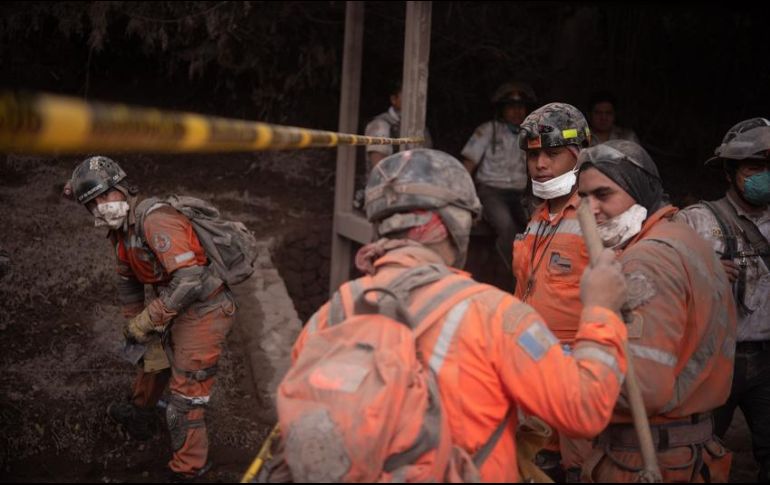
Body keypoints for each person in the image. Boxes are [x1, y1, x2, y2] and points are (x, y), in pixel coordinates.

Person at [285, 148, 631, 482]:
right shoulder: (495, 316)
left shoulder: (330, 316)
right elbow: (583, 410)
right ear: (457, 224)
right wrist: (601, 309)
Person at [66, 156, 236, 480]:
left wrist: (151, 318)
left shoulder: (155, 220)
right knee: (150, 358)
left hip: (205, 309)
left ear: (122, 189)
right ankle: (141, 412)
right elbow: (127, 280)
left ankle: (190, 468)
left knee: (186, 397)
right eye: (93, 203)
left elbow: (190, 278)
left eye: (105, 196)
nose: (102, 206)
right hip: (175, 302)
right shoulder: (121, 233)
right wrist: (136, 327)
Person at [576, 140, 736, 482]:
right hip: (688, 447)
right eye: (584, 198)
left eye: (603, 195)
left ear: (640, 191)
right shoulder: (684, 239)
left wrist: (566, 379)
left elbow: (643, 388)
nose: (591, 210)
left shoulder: (645, 261)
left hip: (647, 459)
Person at [675, 118, 770, 481]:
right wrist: (701, 271)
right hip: (713, 358)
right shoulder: (696, 222)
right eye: (754, 167)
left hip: (768, 360)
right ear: (730, 172)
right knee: (699, 454)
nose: (764, 175)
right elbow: (660, 284)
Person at [513, 102, 594, 479]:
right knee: (536, 460)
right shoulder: (538, 217)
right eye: (534, 155)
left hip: (578, 373)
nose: (541, 164)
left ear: (579, 156)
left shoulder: (598, 219)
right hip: (534, 365)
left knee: (579, 466)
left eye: (552, 153)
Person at [461, 82, 536, 271]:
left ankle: (535, 270)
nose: (517, 112)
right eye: (511, 107)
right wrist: (466, 198)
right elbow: (468, 165)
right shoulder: (488, 130)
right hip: (492, 191)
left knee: (535, 225)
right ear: (502, 109)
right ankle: (513, 272)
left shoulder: (531, 135)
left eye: (521, 107)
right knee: (507, 226)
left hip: (520, 193)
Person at [364, 79, 433, 170]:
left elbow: (428, 160)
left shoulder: (420, 128)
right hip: (390, 182)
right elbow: (380, 169)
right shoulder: (381, 125)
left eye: (415, 96)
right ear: (393, 99)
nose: (412, 101)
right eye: (407, 96)